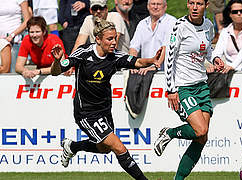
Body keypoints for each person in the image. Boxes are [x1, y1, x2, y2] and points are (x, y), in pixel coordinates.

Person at [50, 17, 162, 180]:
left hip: (104, 111)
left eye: (115, 38)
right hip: (86, 113)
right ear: (98, 39)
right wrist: (56, 60)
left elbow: (137, 62)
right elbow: (56, 71)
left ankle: (72, 146)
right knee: (118, 147)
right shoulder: (84, 53)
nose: (114, 42)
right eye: (110, 39)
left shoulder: (115, 56)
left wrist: (151, 60)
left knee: (104, 148)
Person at [153, 0, 224, 179]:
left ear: (206, 5)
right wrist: (170, 90)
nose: (194, 7)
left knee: (202, 137)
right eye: (191, 3)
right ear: (187, 4)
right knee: (200, 130)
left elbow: (208, 49)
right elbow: (169, 57)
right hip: (183, 87)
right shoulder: (179, 26)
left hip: (202, 85)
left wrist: (215, 58)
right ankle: (169, 132)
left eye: (199, 3)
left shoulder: (208, 25)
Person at [124, 0, 176, 118]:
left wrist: (154, 66)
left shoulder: (172, 22)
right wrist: (133, 63)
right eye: (153, 4)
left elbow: (166, 47)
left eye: (159, 4)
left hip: (165, 72)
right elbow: (133, 47)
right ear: (147, 6)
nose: (155, 7)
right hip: (145, 68)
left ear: (165, 7)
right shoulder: (142, 24)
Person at [211, 0, 242, 73]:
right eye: (235, 12)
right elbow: (217, 50)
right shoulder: (225, 31)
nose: (239, 13)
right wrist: (216, 59)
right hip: (229, 72)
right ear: (230, 14)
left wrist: (233, 66)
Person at [0, 0, 31, 73]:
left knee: (13, 72)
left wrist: (13, 34)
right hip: (1, 42)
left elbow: (27, 20)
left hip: (15, 41)